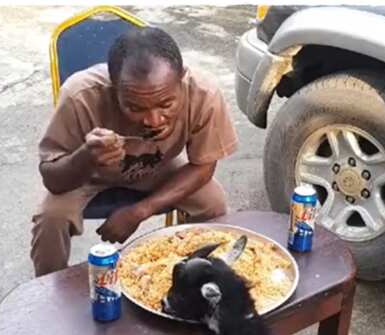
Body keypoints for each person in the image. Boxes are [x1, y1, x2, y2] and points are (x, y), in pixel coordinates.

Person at [31, 26, 237, 276]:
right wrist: (85, 157)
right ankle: (47, 294)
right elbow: (52, 178)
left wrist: (141, 210)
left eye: (166, 104)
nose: (153, 120)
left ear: (181, 78)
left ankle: (197, 277)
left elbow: (203, 166)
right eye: (134, 107)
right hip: (88, 176)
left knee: (212, 202)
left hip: (157, 168)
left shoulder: (203, 94)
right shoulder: (80, 96)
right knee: (51, 217)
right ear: (113, 87)